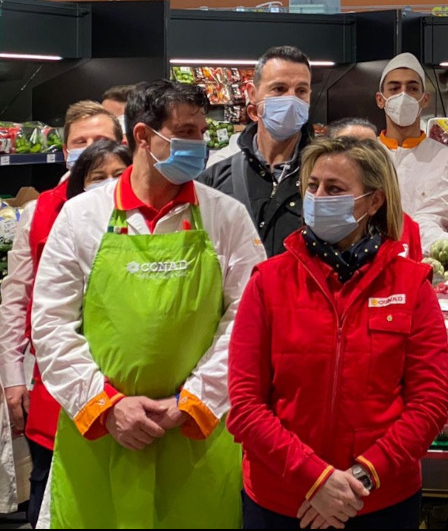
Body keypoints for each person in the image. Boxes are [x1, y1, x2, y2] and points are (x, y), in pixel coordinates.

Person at [32, 80, 266, 528]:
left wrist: (195, 399)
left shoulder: (226, 216)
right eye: (187, 132)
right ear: (143, 136)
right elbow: (51, 323)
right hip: (101, 434)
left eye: (202, 131)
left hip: (197, 433)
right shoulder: (82, 216)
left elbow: (247, 319)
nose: (199, 144)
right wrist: (106, 405)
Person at [228, 136, 448, 530]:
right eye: (312, 186)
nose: (317, 196)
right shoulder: (268, 281)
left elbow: (429, 403)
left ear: (373, 201)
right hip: (282, 499)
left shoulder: (412, 284)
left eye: (334, 189)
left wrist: (361, 478)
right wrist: (314, 479)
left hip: (379, 499)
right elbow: (245, 405)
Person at [0, 101, 122, 526]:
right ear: (66, 149)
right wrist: (13, 378)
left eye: (102, 141)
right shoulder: (39, 212)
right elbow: (17, 299)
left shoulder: (152, 209)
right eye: (80, 142)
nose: (91, 149)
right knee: (49, 490)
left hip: (129, 380)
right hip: (54, 385)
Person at [199, 46, 314, 257]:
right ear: (252, 94)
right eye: (279, 89)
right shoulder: (217, 176)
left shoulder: (324, 174)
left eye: (301, 91)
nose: (291, 100)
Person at [376, 53, 448, 254]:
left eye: (412, 88)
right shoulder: (363, 156)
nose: (403, 95)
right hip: (368, 261)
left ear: (425, 99)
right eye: (395, 88)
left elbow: (431, 219)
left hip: (424, 260)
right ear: (380, 100)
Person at [329, 118, 423, 260]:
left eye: (370, 148)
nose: (359, 158)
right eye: (345, 147)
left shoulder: (406, 226)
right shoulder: (313, 220)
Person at [64, 139, 132, 198]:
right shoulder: (71, 211)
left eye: (119, 174)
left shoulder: (140, 212)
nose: (110, 183)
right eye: (99, 178)